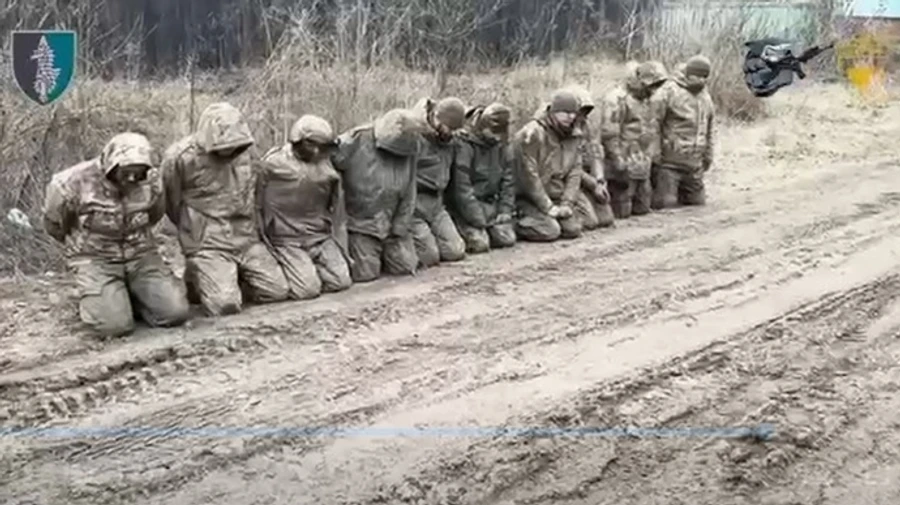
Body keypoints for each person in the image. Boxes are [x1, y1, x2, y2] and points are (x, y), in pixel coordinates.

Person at [42, 132, 189, 337]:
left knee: (175, 314)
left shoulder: (153, 182)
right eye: (126, 171)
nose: (131, 178)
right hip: (95, 258)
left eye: (138, 173)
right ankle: (99, 297)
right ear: (111, 164)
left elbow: (155, 214)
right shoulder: (70, 183)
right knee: (114, 327)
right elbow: (55, 225)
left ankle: (132, 297)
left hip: (141, 254)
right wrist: (81, 248)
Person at [161, 102, 289, 316]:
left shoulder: (247, 152)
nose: (230, 150)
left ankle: (229, 278)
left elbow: (254, 191)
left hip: (245, 238)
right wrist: (192, 232)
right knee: (225, 306)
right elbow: (169, 202)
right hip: (208, 243)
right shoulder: (180, 157)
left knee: (278, 291)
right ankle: (197, 276)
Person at [258, 115, 352, 299]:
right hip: (287, 238)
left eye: (321, 146)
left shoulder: (327, 166)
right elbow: (256, 200)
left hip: (318, 235)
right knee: (307, 290)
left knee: (342, 281)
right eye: (311, 145)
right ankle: (290, 274)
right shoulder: (273, 163)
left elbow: (336, 206)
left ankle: (306, 272)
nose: (316, 151)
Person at [331, 108, 422, 282]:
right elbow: (326, 158)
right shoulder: (356, 140)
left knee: (407, 266)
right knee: (366, 274)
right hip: (360, 223)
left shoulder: (411, 148)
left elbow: (410, 191)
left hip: (390, 221)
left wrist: (400, 227)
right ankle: (366, 253)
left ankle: (382, 253)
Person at [511, 89, 585, 242]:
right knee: (550, 231)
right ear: (552, 111)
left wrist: (567, 203)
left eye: (573, 113)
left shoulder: (574, 134)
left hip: (555, 194)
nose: (570, 117)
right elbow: (529, 177)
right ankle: (514, 222)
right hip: (527, 197)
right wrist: (548, 207)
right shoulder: (532, 134)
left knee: (574, 228)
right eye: (564, 112)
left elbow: (575, 172)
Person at [600, 61, 667, 219]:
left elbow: (655, 127)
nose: (654, 89)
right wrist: (617, 159)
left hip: (642, 163)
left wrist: (653, 155)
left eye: (657, 85)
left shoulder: (652, 99)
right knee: (622, 212)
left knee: (643, 208)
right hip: (622, 164)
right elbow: (609, 133)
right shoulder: (616, 99)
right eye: (652, 85)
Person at [450, 102, 517, 253]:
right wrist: (478, 219)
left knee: (507, 239)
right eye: (494, 133)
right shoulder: (465, 144)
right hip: (465, 207)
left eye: (501, 133)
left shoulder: (503, 145)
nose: (497, 138)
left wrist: (505, 210)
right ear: (483, 126)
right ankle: (460, 228)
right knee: (480, 244)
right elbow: (462, 188)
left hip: (489, 204)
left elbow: (509, 181)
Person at [651, 55, 716, 209]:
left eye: (704, 77)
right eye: (697, 76)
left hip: (694, 165)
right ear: (688, 74)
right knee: (666, 205)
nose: (701, 80)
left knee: (697, 205)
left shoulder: (705, 97)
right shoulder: (668, 92)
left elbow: (709, 128)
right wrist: (655, 152)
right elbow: (653, 123)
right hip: (669, 163)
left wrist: (709, 154)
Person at [410, 97, 468, 267]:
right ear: (435, 117)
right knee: (429, 256)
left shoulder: (449, 140)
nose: (449, 134)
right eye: (447, 128)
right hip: (415, 204)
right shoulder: (415, 136)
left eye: (453, 131)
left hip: (437, 205)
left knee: (455, 251)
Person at [562, 85, 616, 230]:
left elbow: (596, 153)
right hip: (568, 180)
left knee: (606, 219)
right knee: (589, 222)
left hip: (585, 178)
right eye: (580, 110)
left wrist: (600, 180)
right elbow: (569, 166)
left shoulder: (586, 125)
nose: (583, 115)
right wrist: (592, 184)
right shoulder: (561, 129)